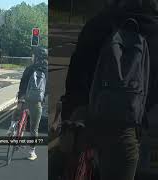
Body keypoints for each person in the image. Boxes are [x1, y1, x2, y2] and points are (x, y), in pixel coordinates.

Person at [60, 0, 158, 179]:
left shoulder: (97, 25)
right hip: (135, 131)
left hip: (94, 124)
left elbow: (76, 80)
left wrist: (69, 116)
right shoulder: (154, 29)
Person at [7, 46, 48, 161]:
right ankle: (32, 152)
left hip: (25, 99)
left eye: (33, 55)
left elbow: (22, 84)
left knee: (16, 112)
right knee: (34, 128)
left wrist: (21, 98)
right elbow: (47, 89)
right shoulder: (46, 71)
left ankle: (12, 126)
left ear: (36, 57)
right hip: (37, 102)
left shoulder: (29, 68)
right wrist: (42, 99)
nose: (32, 57)